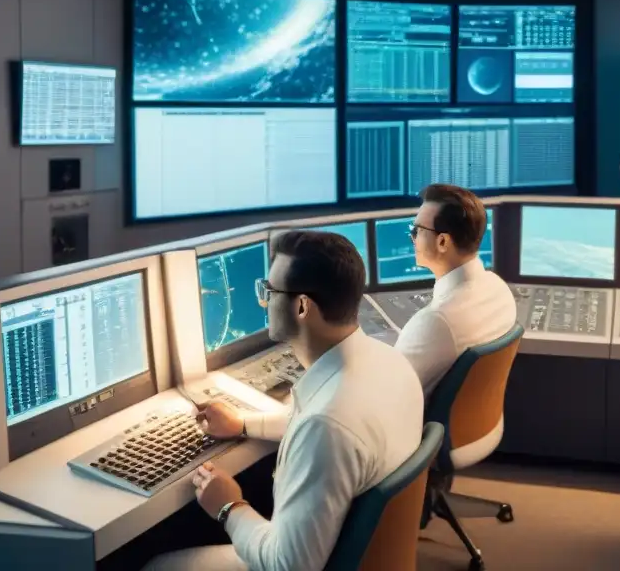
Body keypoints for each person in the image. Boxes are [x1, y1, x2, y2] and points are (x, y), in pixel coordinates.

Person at [142, 231, 424, 571]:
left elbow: (288, 565)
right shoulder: (390, 362)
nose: (264, 301)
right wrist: (244, 423)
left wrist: (229, 507)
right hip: (369, 554)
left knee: (156, 565)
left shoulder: (326, 426)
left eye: (269, 291)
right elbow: (324, 420)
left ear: (302, 306)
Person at [394, 183, 517, 396]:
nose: (412, 238)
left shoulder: (435, 322)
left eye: (417, 230)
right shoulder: (500, 289)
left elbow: (388, 393)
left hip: (424, 428)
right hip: (482, 427)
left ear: (442, 242)